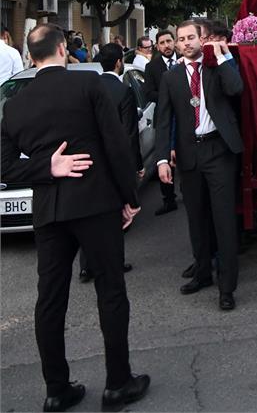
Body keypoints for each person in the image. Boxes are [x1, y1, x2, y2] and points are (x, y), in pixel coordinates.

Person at [0, 24, 149, 412]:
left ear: (29, 56)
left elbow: (3, 166)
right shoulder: (90, 86)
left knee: (49, 300)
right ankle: (118, 383)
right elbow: (117, 145)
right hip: (96, 204)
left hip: (49, 213)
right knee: (111, 291)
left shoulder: (15, 106)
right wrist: (129, 197)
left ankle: (56, 389)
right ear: (64, 49)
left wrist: (44, 166)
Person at [156, 21, 244, 311]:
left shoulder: (216, 68)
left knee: (223, 220)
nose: (185, 43)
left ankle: (227, 287)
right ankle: (203, 273)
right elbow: (164, 120)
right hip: (189, 154)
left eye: (191, 37)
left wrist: (218, 57)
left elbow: (236, 89)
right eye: (181, 39)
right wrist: (161, 159)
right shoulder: (171, 78)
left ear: (202, 39)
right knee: (196, 219)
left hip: (219, 150)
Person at [79, 42, 144, 282]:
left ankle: (86, 266)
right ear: (119, 63)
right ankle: (114, 262)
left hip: (90, 160)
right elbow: (129, 134)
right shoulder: (123, 91)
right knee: (116, 214)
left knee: (89, 215)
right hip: (114, 162)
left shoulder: (88, 88)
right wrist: (136, 165)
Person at [143, 30, 179, 215]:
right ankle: (169, 199)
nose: (166, 45)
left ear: (174, 42)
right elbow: (148, 92)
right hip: (164, 117)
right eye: (162, 42)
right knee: (164, 158)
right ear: (157, 46)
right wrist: (170, 96)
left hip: (185, 116)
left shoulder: (183, 60)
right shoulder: (152, 67)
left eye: (169, 41)